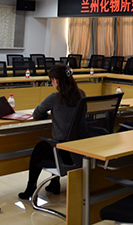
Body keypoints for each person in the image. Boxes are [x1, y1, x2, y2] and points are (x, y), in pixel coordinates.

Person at [19, 63, 85, 199]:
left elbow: (37, 114)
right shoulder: (81, 94)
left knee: (40, 148)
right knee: (53, 144)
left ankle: (31, 188)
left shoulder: (54, 98)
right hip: (79, 150)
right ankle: (54, 183)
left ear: (56, 81)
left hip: (64, 153)